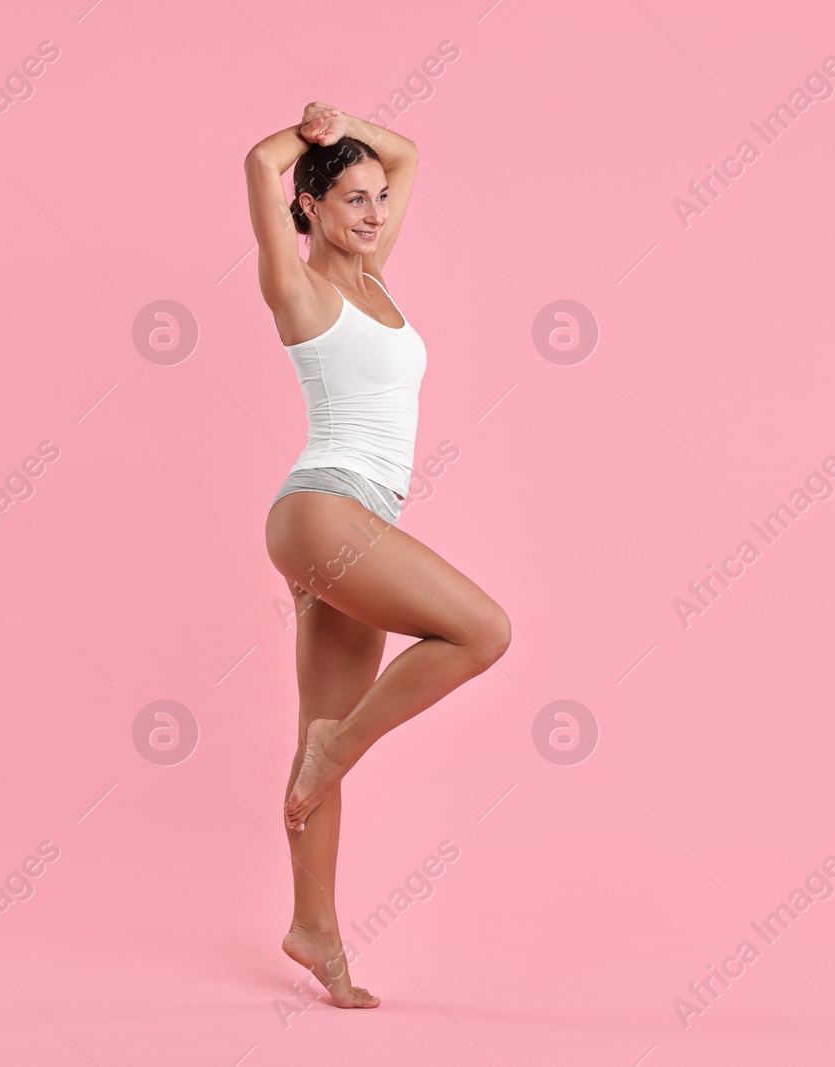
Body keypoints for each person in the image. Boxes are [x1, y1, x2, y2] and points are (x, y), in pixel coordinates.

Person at [245, 102, 512, 1009]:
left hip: (346, 519)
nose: (372, 211)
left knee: (317, 726)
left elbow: (407, 151)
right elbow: (256, 163)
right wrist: (302, 135)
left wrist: (347, 123)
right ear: (310, 208)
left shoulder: (374, 281)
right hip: (324, 507)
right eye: (351, 199)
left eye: (379, 200)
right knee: (482, 630)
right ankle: (338, 749)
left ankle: (312, 926)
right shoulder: (303, 290)